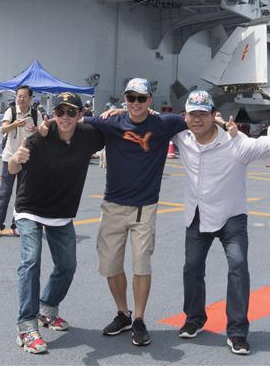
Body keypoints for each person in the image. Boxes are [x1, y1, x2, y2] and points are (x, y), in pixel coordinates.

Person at [172, 90, 270, 355]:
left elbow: (265, 145)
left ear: (212, 115)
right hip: (198, 214)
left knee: (238, 267)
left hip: (231, 216)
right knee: (192, 268)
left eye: (202, 114)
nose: (197, 120)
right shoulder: (182, 138)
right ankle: (194, 319)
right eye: (192, 114)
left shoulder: (235, 143)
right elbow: (148, 119)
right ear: (185, 117)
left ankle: (237, 331)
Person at [81, 78, 187, 347]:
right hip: (113, 205)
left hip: (145, 207)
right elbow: (80, 120)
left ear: (150, 100)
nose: (136, 103)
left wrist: (225, 126)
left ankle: (139, 319)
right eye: (131, 98)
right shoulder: (111, 122)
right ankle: (123, 313)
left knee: (141, 262)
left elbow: (197, 118)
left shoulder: (163, 123)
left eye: (141, 98)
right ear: (124, 100)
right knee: (110, 265)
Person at [8, 92, 106, 355]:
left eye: (71, 112)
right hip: (29, 208)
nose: (65, 117)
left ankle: (47, 309)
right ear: (54, 115)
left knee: (67, 265)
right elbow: (13, 169)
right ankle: (27, 327)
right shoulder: (39, 137)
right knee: (31, 261)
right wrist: (16, 159)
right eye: (60, 112)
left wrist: (120, 112)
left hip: (61, 212)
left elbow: (114, 128)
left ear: (80, 115)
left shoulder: (88, 136)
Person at [0, 86, 38, 237]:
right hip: (10, 157)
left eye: (24, 96)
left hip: (27, 158)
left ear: (30, 98)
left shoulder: (35, 113)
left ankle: (15, 225)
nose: (21, 98)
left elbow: (42, 133)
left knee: (21, 193)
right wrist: (14, 124)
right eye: (18, 96)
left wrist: (37, 130)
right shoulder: (11, 111)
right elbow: (4, 129)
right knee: (5, 192)